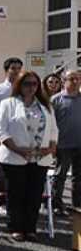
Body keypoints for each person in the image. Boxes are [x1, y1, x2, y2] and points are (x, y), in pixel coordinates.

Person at [0, 71, 58, 241]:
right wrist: (17, 149)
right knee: (16, 193)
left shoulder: (46, 106)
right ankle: (16, 227)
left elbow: (54, 130)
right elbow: (1, 130)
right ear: (19, 85)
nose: (31, 87)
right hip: (14, 156)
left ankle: (30, 228)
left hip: (40, 157)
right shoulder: (8, 104)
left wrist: (51, 147)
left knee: (34, 193)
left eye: (34, 84)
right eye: (27, 84)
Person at [51, 70, 81, 214]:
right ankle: (56, 204)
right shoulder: (56, 100)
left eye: (78, 79)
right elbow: (50, 124)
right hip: (63, 145)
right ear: (63, 81)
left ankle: (77, 204)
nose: (76, 81)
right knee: (60, 176)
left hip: (79, 145)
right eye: (72, 79)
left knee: (78, 177)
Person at [0, 57, 23, 141]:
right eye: (13, 68)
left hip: (22, 133)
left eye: (19, 68)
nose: (17, 71)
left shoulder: (25, 89)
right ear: (6, 71)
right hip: (3, 133)